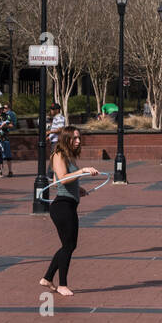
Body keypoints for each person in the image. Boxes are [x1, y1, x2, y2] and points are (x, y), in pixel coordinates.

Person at [39, 126, 98, 297]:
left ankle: (48, 278)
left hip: (69, 204)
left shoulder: (69, 156)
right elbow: (63, 179)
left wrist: (78, 189)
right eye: (75, 138)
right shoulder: (58, 154)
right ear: (66, 139)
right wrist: (83, 171)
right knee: (68, 246)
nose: (78, 141)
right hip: (61, 206)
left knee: (70, 245)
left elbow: (59, 180)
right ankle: (62, 284)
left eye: (79, 138)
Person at [0, 102, 17, 176]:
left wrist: (4, 126)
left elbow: (12, 125)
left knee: (8, 155)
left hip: (5, 137)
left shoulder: (6, 116)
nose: (1, 110)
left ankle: (10, 171)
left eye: (2, 109)